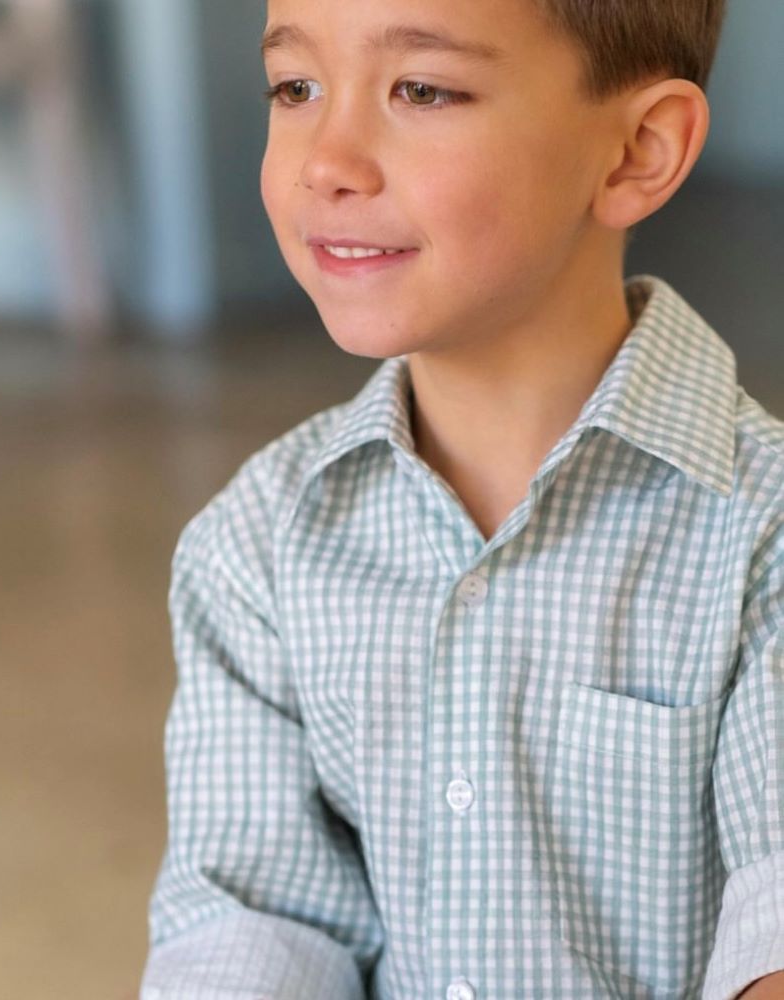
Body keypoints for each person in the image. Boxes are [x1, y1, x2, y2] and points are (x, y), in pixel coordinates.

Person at [141, 0, 784, 996]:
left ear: (638, 151)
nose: (327, 162)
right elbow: (253, 921)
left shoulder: (761, 533)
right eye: (295, 87)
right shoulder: (255, 543)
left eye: (422, 90)